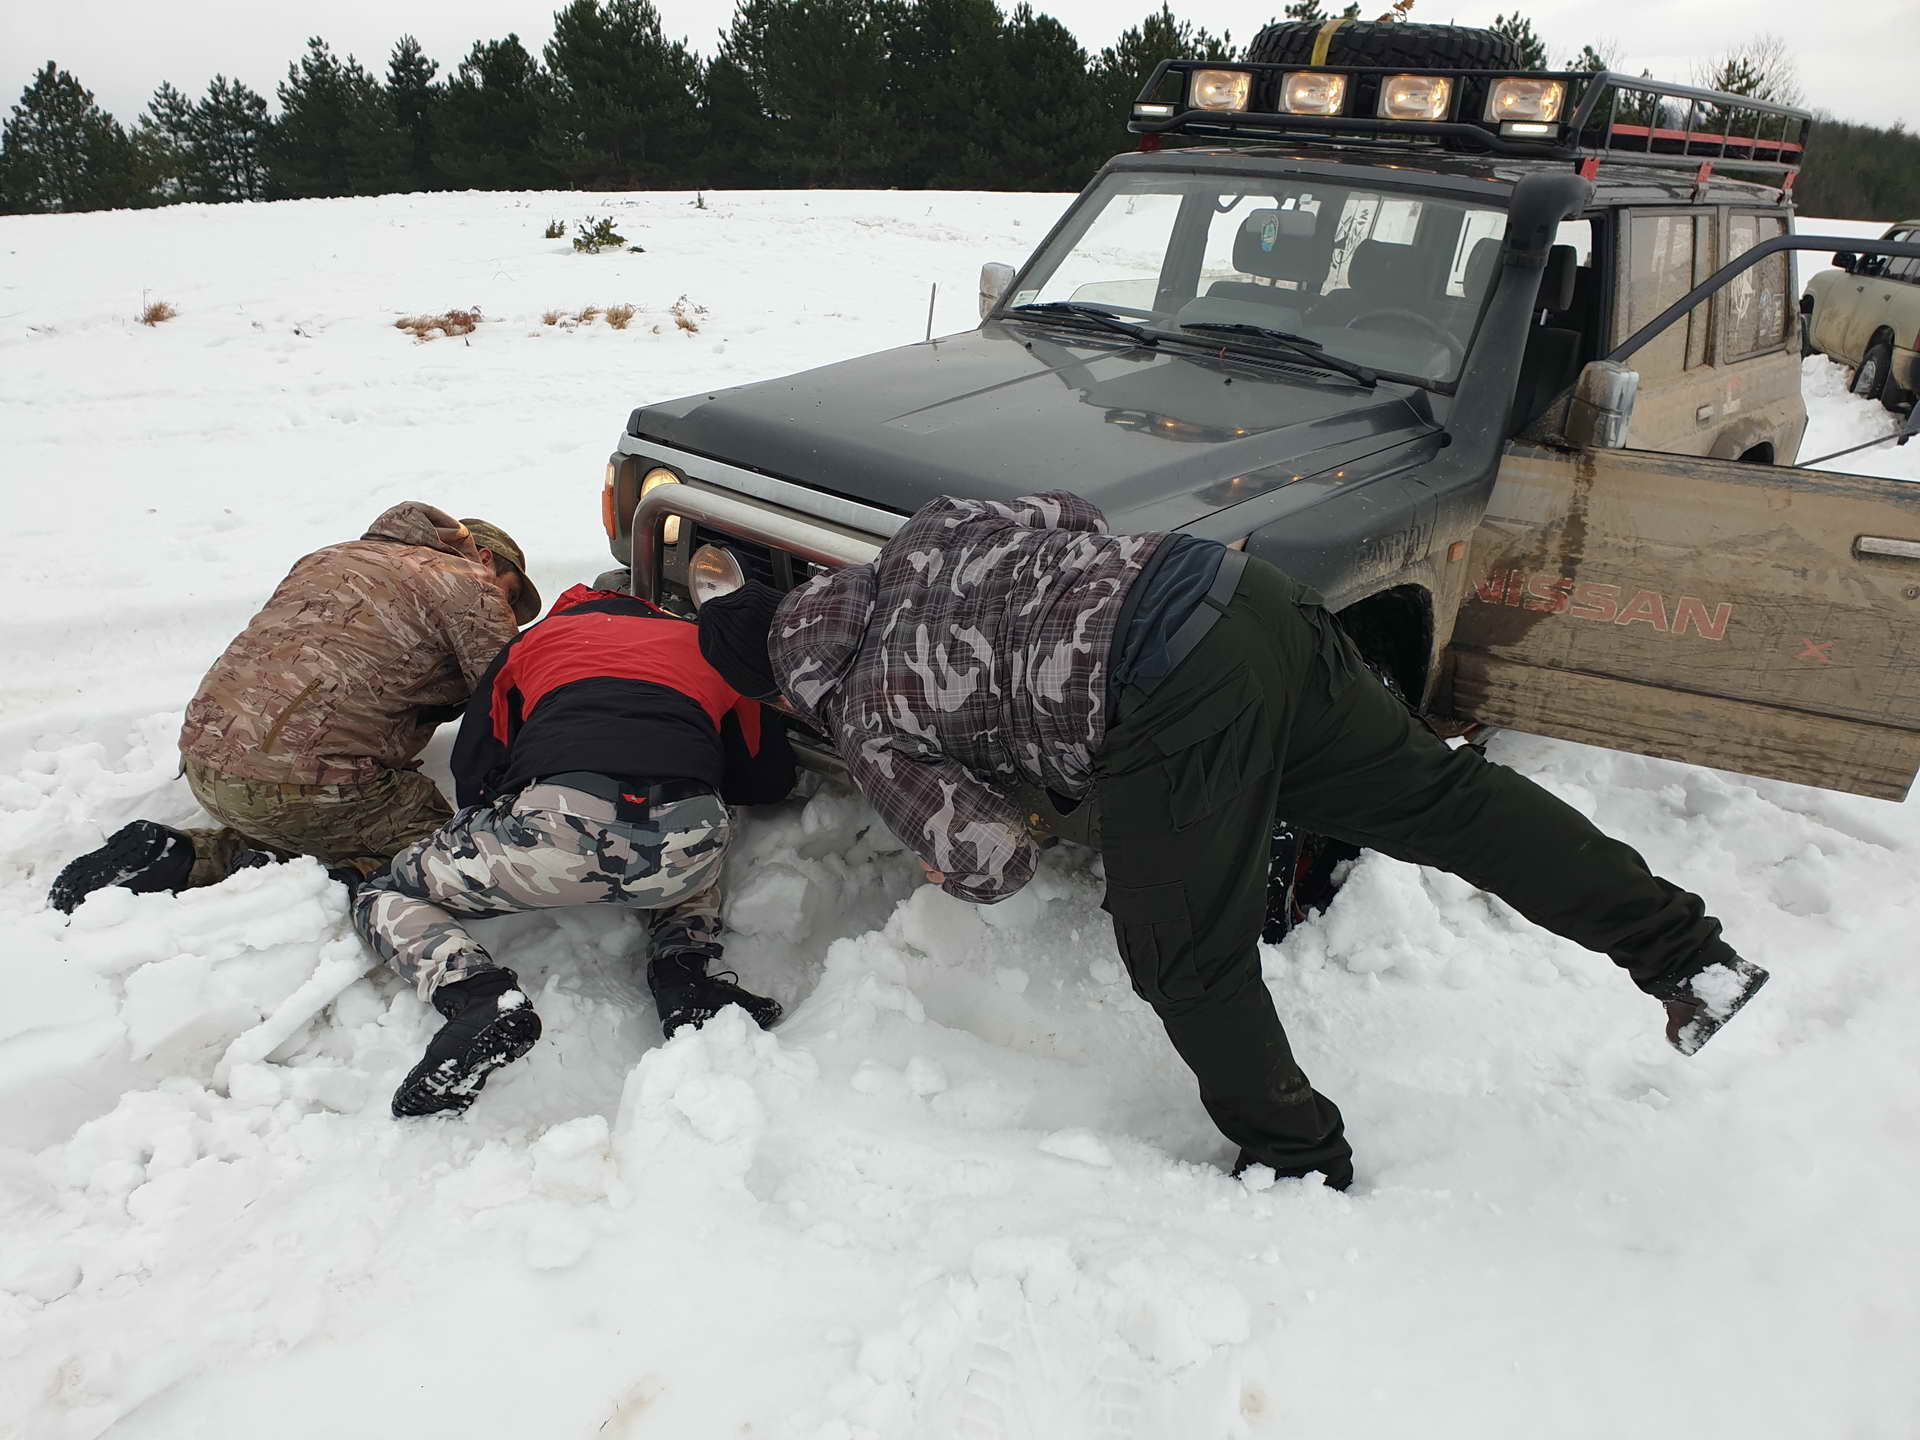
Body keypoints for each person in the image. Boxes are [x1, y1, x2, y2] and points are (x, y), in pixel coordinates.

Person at [695, 492, 1770, 1191]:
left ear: (780, 685)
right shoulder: (925, 534)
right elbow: (1072, 512)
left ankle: (1297, 1162)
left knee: (1179, 952)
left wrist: (953, 839)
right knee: (1447, 801)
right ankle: (1688, 957)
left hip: (1167, 692)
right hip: (1235, 594)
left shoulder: (865, 717)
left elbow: (997, 862)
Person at [353, 582, 796, 1118]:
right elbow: (768, 780)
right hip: (684, 844)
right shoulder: (708, 645)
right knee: (690, 832)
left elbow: (474, 770)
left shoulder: (533, 642)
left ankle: (477, 996)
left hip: (556, 827)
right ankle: (686, 976)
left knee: (384, 891)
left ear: (570, 609)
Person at [48, 504, 537, 914]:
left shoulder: (328, 557)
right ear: (485, 558)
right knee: (451, 859)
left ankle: (181, 855)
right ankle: (333, 880)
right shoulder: (469, 583)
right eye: (510, 595)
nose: (507, 613)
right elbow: (509, 699)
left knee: (318, 814)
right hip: (303, 788)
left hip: (205, 762)